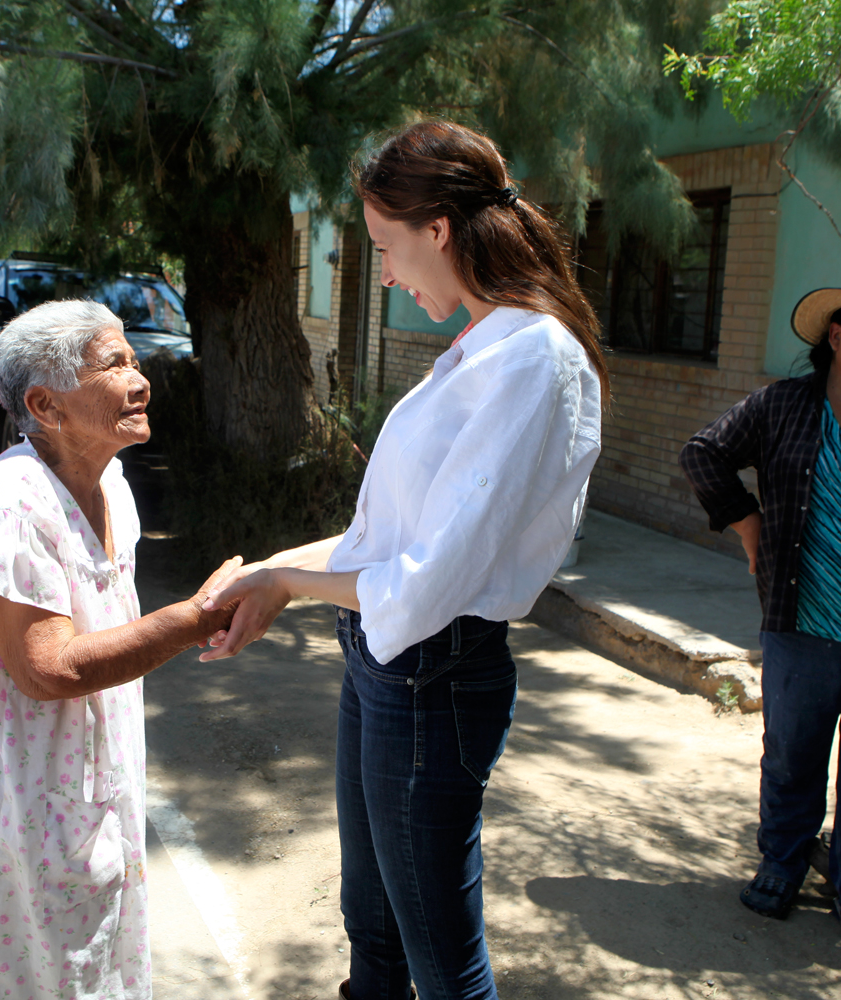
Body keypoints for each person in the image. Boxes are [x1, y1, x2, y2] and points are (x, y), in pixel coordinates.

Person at [200, 120, 606, 1000]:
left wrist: (280, 582)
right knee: (373, 928)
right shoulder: (478, 347)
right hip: (387, 667)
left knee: (439, 963)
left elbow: (425, 582)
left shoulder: (534, 358)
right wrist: (268, 573)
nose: (381, 270)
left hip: (432, 675)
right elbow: (376, 544)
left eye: (384, 246)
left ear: (439, 229)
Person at [0, 299, 238, 999]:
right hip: (13, 813)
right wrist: (192, 620)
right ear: (45, 406)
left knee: (86, 965)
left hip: (79, 801)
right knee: (24, 972)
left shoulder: (110, 484)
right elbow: (45, 668)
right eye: (114, 364)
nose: (140, 378)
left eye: (134, 360)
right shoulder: (16, 503)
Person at [680, 263, 841, 965]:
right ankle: (781, 863)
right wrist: (747, 525)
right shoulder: (785, 408)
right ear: (838, 336)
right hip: (804, 628)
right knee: (793, 758)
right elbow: (705, 454)